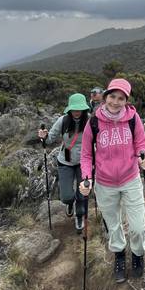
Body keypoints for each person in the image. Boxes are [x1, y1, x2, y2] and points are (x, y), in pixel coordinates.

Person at [79, 78, 145, 283]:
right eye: (112, 96)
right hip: (104, 183)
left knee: (138, 227)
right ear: (105, 96)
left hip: (130, 178)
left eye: (121, 98)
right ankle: (119, 254)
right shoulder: (93, 121)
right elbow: (86, 155)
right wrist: (86, 178)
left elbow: (140, 143)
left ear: (126, 100)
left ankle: (137, 254)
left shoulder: (132, 118)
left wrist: (143, 157)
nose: (115, 102)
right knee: (114, 225)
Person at [38, 93, 90, 234]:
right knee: (66, 196)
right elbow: (49, 140)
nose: (77, 112)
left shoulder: (90, 121)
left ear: (84, 109)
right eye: (74, 109)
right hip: (65, 161)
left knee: (82, 194)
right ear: (69, 109)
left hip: (83, 162)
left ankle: (79, 216)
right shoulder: (63, 121)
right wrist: (44, 136)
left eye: (79, 109)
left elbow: (98, 139)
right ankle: (69, 205)